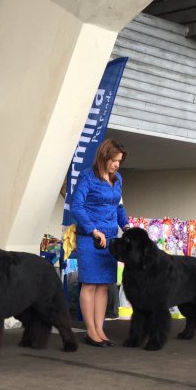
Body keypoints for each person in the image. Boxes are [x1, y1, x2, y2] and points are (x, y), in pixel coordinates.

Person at [70, 139, 129, 347]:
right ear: (104, 157)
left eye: (119, 161)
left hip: (110, 239)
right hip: (91, 238)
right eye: (114, 160)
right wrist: (93, 230)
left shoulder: (118, 179)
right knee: (89, 284)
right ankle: (90, 331)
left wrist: (127, 227)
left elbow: (119, 208)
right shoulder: (87, 177)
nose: (117, 165)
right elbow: (76, 206)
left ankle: (100, 329)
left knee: (103, 286)